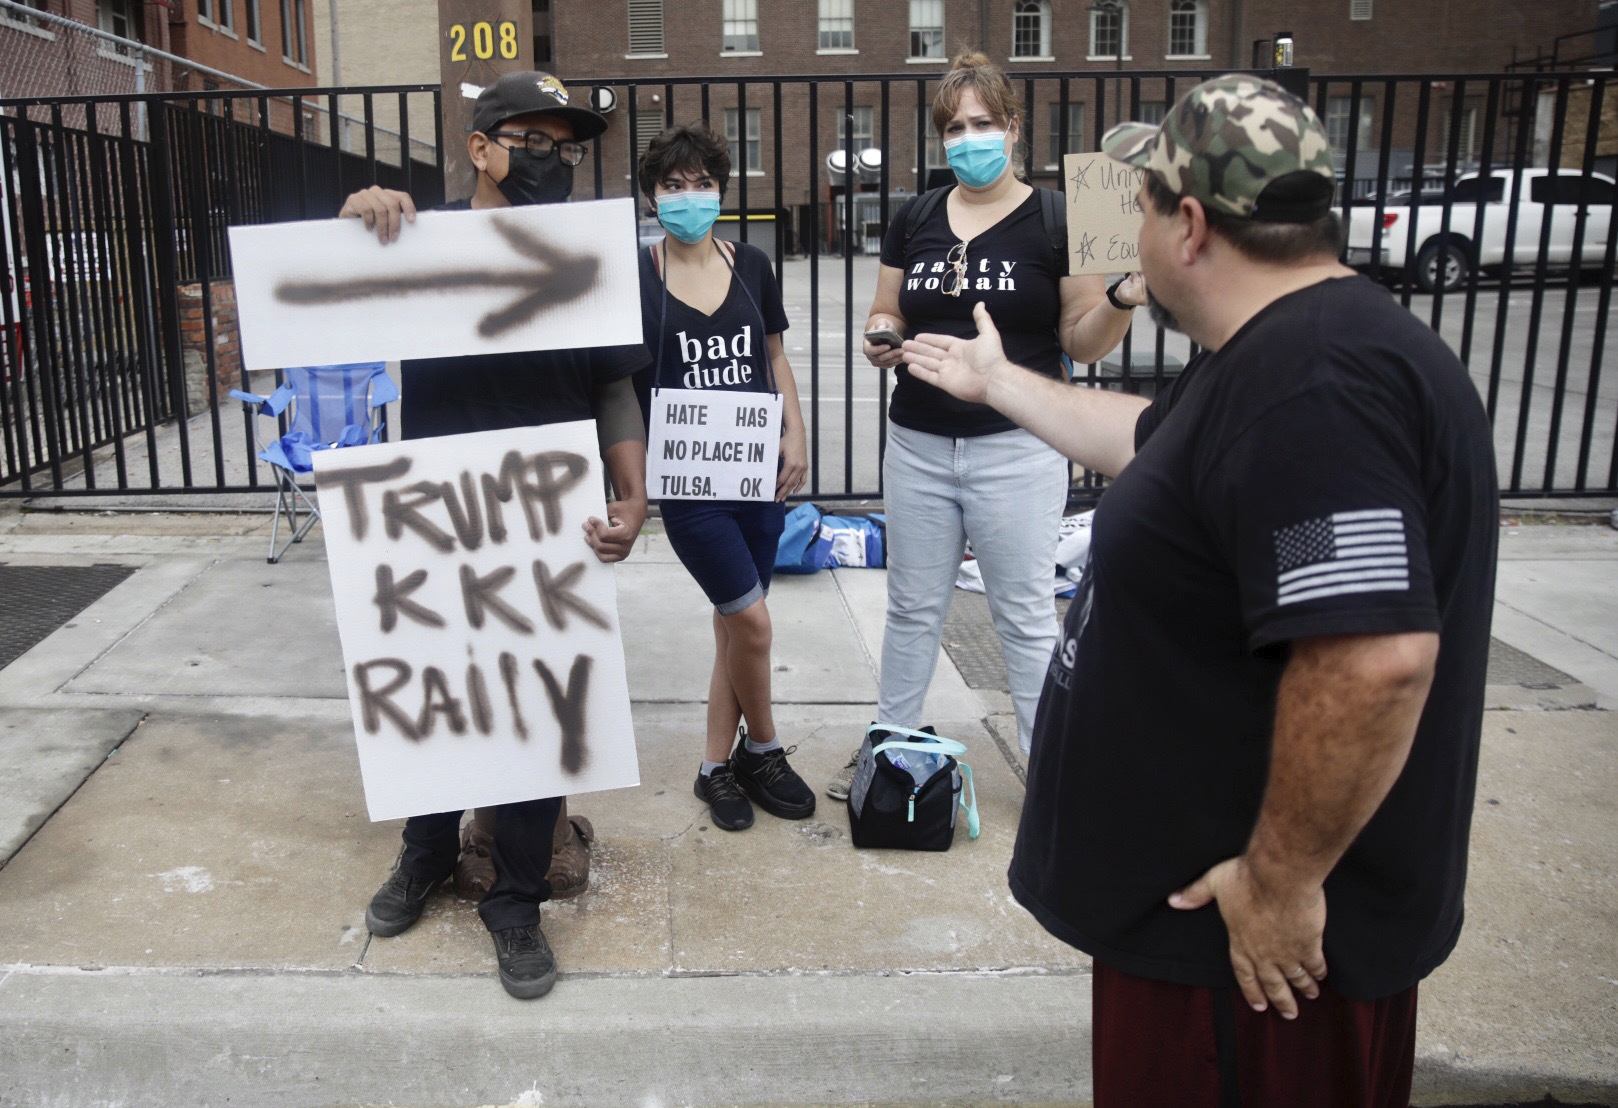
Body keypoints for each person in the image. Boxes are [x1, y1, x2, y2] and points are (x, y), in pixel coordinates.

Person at [901, 75, 1498, 1105]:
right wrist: (999, 382)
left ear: (1185, 223)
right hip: (1201, 946)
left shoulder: (1317, 389)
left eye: (1134, 207)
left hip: (1252, 974)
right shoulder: (1270, 355)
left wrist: (1279, 882)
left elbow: (1372, 657)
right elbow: (1151, 445)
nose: (1126, 234)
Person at [338, 70, 650, 1000]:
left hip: (546, 513)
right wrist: (356, 212)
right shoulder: (410, 239)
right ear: (480, 148)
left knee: (536, 701)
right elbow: (314, 295)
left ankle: (515, 901)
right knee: (436, 680)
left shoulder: (592, 252)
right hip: (435, 515)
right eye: (535, 140)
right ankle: (426, 852)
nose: (555, 161)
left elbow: (612, 384)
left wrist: (633, 495)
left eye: (569, 146)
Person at [827, 50, 1144, 800]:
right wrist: (878, 333)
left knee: (1025, 615)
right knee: (911, 607)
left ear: (1011, 128)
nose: (967, 139)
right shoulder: (916, 216)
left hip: (1018, 447)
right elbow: (889, 308)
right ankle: (889, 749)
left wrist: (1124, 299)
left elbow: (1080, 340)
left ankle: (1050, 771)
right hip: (918, 443)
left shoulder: (1059, 215)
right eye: (954, 128)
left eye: (981, 124)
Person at [633, 123, 814, 831]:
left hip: (757, 476)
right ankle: (763, 749)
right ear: (652, 195)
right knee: (755, 624)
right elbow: (619, 386)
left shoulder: (753, 264)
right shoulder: (638, 277)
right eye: (673, 186)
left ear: (721, 191)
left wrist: (793, 433)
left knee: (732, 630)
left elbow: (772, 358)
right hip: (689, 486)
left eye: (702, 183)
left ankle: (715, 767)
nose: (688, 197)